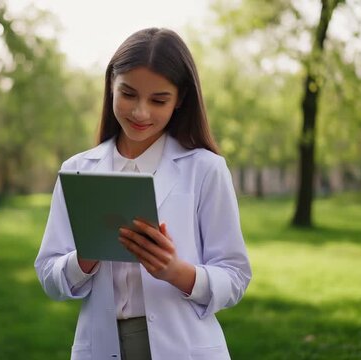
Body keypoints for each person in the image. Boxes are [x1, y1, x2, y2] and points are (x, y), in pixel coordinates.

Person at [34, 27, 251, 360]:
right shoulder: (79, 170)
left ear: (180, 100)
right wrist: (85, 258)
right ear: (110, 86)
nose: (140, 112)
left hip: (183, 345)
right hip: (102, 346)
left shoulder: (205, 169)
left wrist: (176, 271)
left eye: (158, 100)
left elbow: (235, 275)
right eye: (128, 94)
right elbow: (49, 275)